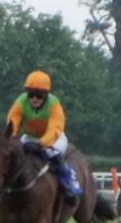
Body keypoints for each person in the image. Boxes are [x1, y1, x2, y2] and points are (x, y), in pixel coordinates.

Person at [4, 70, 82, 202]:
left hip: (54, 138)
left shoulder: (54, 104)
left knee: (53, 154)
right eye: (31, 95)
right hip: (30, 137)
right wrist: (10, 138)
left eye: (39, 95)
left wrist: (41, 144)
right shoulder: (21, 102)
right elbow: (13, 122)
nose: (34, 99)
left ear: (46, 95)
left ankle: (69, 185)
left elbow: (54, 128)